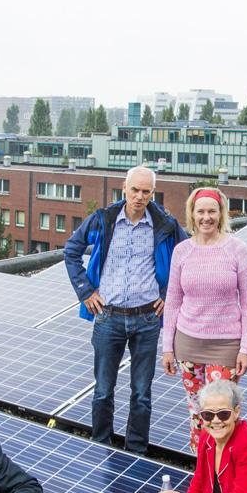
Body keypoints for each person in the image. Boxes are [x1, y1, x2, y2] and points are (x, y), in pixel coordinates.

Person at [64, 166, 188, 454]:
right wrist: (85, 291)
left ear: (152, 194)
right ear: (124, 188)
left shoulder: (165, 224)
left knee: (142, 393)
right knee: (103, 391)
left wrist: (168, 294)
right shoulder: (103, 219)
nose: (139, 197)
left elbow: (186, 259)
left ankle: (136, 453)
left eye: (146, 192)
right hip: (108, 317)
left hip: (147, 318)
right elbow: (71, 251)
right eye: (135, 190)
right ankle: (101, 446)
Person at [161, 186, 247, 453]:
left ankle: (226, 466)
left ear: (221, 213)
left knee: (221, 413)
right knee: (196, 410)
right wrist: (167, 347)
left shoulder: (237, 249)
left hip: (226, 346)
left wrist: (246, 348)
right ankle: (201, 463)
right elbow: (173, 301)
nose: (206, 217)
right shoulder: (182, 251)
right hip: (188, 344)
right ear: (192, 214)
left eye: (212, 211)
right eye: (200, 211)